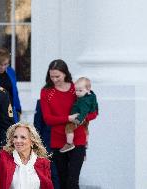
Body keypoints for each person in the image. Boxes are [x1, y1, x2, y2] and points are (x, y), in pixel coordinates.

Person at [40, 59, 98, 189]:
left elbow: (93, 112)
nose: (54, 79)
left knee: (73, 180)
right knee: (62, 179)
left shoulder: (77, 88)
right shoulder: (46, 92)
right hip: (58, 141)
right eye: (52, 76)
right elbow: (48, 119)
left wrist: (81, 119)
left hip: (78, 139)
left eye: (58, 76)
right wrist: (69, 118)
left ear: (65, 73)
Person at [60, 77, 99, 153]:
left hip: (79, 118)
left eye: (80, 90)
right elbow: (94, 107)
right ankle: (86, 142)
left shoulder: (83, 101)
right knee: (85, 129)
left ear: (88, 89)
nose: (77, 92)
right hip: (84, 119)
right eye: (76, 90)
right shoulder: (91, 96)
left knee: (68, 128)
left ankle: (69, 143)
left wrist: (79, 119)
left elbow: (84, 111)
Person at [0, 48, 22, 122]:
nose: (3, 67)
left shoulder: (10, 71)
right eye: (0, 64)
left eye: (6, 64)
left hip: (12, 111)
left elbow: (15, 91)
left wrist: (18, 109)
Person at [34, 99, 60, 189]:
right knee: (50, 174)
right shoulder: (42, 102)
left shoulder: (70, 100)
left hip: (65, 145)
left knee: (63, 175)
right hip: (47, 144)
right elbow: (37, 127)